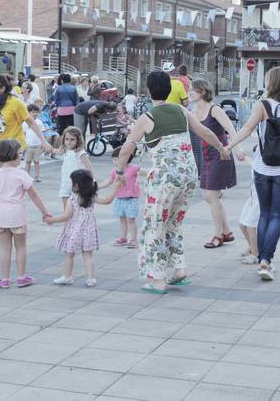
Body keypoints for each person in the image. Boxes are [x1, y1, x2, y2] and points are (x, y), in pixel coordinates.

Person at [114, 71, 230, 293]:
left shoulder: (147, 118)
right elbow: (205, 132)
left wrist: (120, 171)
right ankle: (179, 270)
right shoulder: (182, 110)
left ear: (148, 91)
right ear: (170, 90)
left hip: (164, 180)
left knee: (154, 227)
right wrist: (221, 148)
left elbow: (128, 147)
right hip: (188, 177)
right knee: (173, 224)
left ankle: (157, 279)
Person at [227, 66, 280, 280]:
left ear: (271, 83)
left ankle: (262, 258)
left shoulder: (262, 105)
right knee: (277, 216)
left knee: (265, 215)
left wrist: (229, 146)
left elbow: (248, 128)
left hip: (262, 167)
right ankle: (266, 261)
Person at [0, 139, 51, 289]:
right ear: (12, 155)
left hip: (0, 216)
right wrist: (44, 212)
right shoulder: (21, 174)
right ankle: (21, 277)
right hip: (17, 215)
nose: (22, 156)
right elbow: (34, 195)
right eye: (20, 153)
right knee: (21, 247)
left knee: (5, 248)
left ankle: (5, 279)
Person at [189, 78, 243, 249]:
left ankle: (217, 235)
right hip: (204, 157)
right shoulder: (192, 110)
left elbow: (231, 129)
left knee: (210, 196)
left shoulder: (215, 109)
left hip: (221, 155)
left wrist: (237, 149)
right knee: (210, 197)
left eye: (192, 90)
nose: (189, 93)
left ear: (203, 92)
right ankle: (226, 232)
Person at [45, 169, 119, 287]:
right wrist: (117, 187)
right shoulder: (92, 196)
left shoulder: (72, 199)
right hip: (88, 228)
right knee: (87, 253)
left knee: (69, 253)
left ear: (76, 185)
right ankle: (91, 279)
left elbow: (66, 216)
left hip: (74, 229)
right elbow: (107, 201)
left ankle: (67, 276)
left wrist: (51, 220)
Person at [0, 75, 51, 157]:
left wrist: (43, 141)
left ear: (2, 88)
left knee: (9, 169)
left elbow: (30, 122)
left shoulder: (15, 102)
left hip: (15, 146)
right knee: (2, 170)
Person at [98, 146, 141, 248]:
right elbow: (108, 181)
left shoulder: (134, 169)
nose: (114, 161)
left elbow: (146, 172)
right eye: (113, 159)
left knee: (131, 220)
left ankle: (134, 239)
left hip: (131, 199)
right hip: (119, 199)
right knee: (122, 220)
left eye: (116, 159)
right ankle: (123, 237)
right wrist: (96, 187)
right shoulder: (115, 171)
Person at [56, 126, 93, 208]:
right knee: (65, 200)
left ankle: (77, 219)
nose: (69, 142)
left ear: (78, 140)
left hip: (77, 182)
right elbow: (57, 151)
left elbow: (89, 166)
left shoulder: (80, 152)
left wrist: (92, 180)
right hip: (66, 181)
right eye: (67, 139)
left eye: (72, 139)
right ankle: (67, 219)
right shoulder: (65, 150)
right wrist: (48, 148)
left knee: (77, 205)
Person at [238, 155, 259, 265]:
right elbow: (249, 161)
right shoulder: (257, 162)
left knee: (251, 227)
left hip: (258, 200)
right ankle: (252, 247)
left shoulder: (264, 165)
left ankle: (255, 255)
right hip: (252, 198)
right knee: (242, 224)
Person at [24, 104, 44, 182]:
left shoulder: (40, 122)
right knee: (28, 161)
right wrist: (24, 145)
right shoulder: (25, 122)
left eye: (36, 112)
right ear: (28, 112)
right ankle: (27, 176)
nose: (35, 113)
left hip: (38, 145)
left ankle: (37, 176)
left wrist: (43, 143)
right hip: (29, 145)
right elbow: (24, 134)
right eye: (33, 112)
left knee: (37, 161)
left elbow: (42, 133)